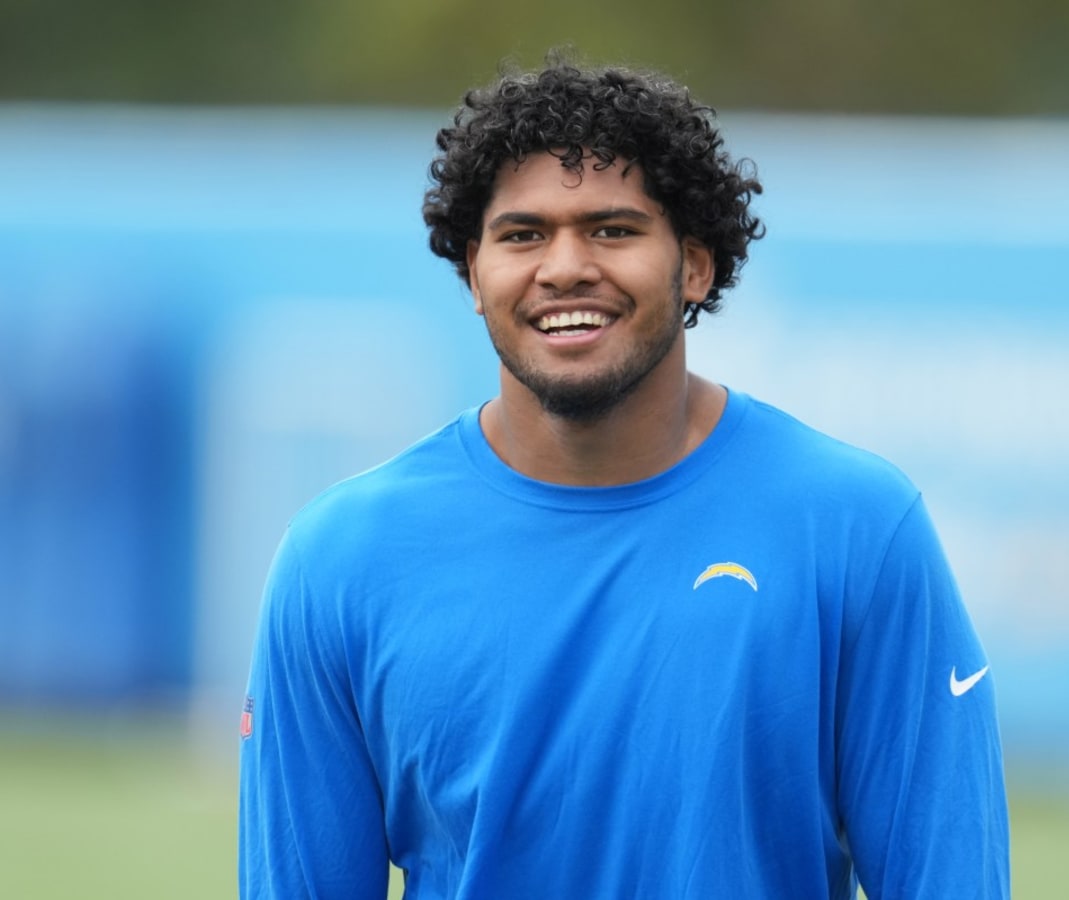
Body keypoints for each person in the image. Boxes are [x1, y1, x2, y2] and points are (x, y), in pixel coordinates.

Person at [238, 53, 1010, 899]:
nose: (564, 266)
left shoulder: (857, 526)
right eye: (522, 234)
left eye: (613, 229)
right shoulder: (341, 558)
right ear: (472, 273)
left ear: (696, 266)